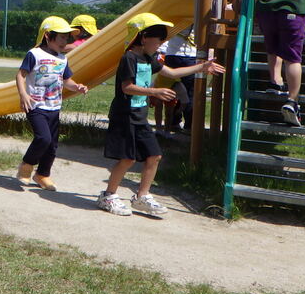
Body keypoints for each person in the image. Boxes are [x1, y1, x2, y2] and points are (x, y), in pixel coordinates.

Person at [96, 13, 224, 217]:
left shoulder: (149, 58)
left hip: (139, 116)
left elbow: (172, 73)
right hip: (124, 116)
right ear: (144, 37)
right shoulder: (129, 58)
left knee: (154, 156)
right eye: (159, 39)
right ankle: (108, 195)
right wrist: (154, 92)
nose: (162, 44)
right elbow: (127, 87)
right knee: (127, 159)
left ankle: (141, 197)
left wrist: (202, 67)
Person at [15, 17, 88, 191]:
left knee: (52, 145)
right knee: (43, 138)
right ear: (48, 36)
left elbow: (66, 80)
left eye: (67, 37)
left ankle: (42, 175)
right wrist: (23, 94)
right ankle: (26, 165)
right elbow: (20, 75)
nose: (65, 41)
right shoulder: (34, 54)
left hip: (54, 107)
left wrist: (76, 86)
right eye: (61, 37)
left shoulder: (63, 59)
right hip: (36, 106)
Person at [151, 26, 197, 135]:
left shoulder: (176, 18)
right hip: (190, 56)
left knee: (170, 89)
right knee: (189, 92)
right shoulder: (197, 17)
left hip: (172, 55)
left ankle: (174, 122)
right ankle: (188, 125)